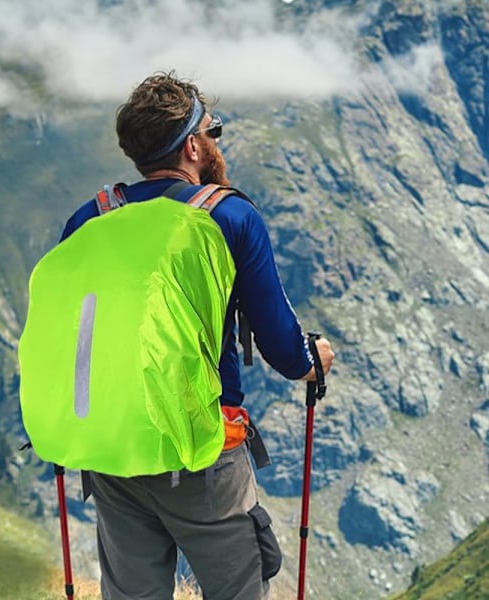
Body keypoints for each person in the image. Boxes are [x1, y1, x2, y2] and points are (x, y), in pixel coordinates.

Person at [59, 71, 335, 600]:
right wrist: (314, 357)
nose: (215, 140)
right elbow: (282, 346)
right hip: (203, 449)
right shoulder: (229, 216)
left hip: (114, 449)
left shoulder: (89, 219)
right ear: (192, 145)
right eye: (214, 130)